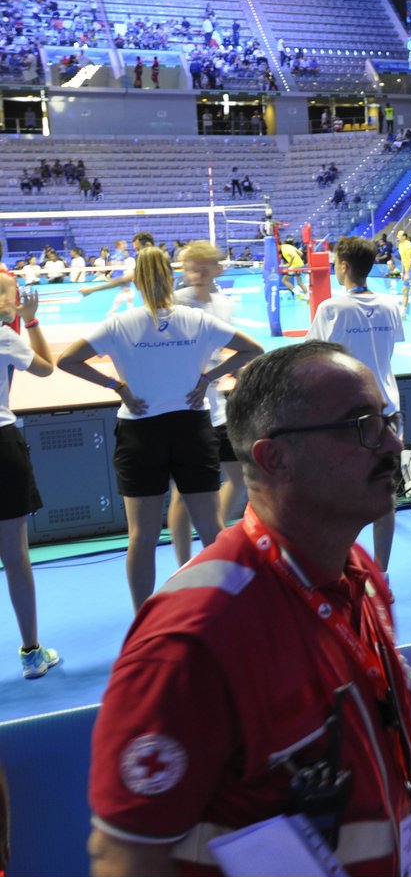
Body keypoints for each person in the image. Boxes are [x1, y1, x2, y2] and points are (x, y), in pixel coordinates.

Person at [87, 341, 411, 877]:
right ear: (275, 458)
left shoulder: (360, 576)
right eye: (362, 426)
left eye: (389, 421)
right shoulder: (192, 638)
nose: (395, 444)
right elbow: (127, 860)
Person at [56, 248, 262, 609]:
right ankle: (228, 613)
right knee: (212, 528)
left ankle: (143, 622)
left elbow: (67, 360)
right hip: (191, 429)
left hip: (140, 431)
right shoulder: (195, 320)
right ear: (171, 279)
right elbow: (252, 349)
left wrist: (116, 387)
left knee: (142, 537)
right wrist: (207, 379)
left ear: (136, 281)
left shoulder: (119, 324)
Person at [305, 237, 406, 570]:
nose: (334, 267)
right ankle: (381, 572)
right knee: (384, 494)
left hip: (349, 417)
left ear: (345, 266)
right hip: (389, 412)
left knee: (341, 493)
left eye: (336, 262)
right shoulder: (391, 305)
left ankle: (341, 568)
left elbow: (310, 357)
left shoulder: (331, 309)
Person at [166, 242, 246, 568]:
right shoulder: (175, 304)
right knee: (183, 495)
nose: (196, 274)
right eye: (190, 268)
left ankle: (212, 539)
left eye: (203, 267)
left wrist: (241, 374)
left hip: (217, 407)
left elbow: (229, 348)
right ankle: (184, 566)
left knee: (239, 478)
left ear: (217, 269)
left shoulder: (223, 305)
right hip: (185, 409)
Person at [0, 275, 60, 678]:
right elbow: (47, 370)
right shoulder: (6, 335)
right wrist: (32, 322)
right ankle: (31, 654)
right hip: (2, 446)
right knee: (15, 556)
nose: (17, 296)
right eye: (9, 291)